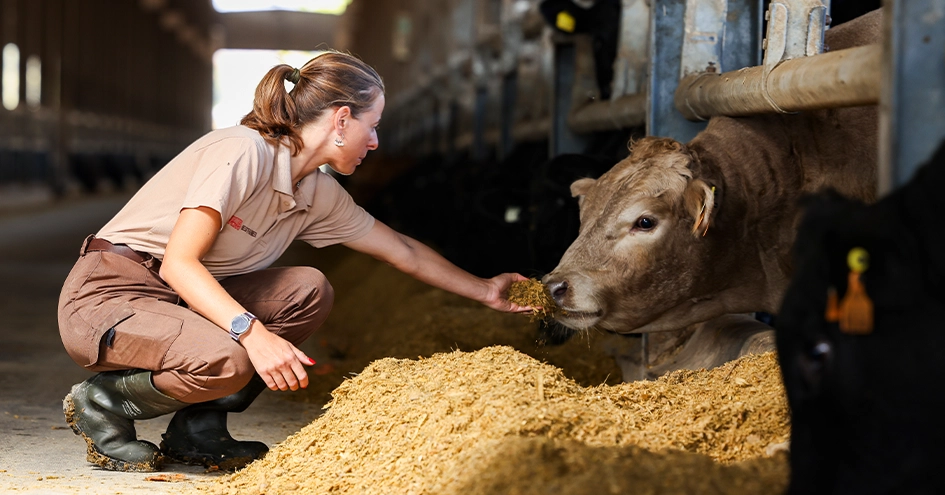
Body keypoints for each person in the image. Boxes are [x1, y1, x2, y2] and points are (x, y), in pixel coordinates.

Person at [58, 51, 533, 473]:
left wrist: (484, 289)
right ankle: (101, 402)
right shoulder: (243, 150)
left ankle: (198, 430)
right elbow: (178, 264)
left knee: (307, 289)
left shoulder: (315, 191)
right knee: (227, 357)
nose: (376, 142)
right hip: (113, 294)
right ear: (342, 119)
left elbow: (402, 251)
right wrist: (254, 334)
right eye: (374, 126)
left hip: (181, 303)